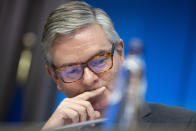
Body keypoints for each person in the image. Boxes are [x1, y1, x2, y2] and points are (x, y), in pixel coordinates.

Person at [41, 1, 196, 130]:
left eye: (100, 60)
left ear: (120, 53)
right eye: (72, 70)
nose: (89, 79)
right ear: (55, 78)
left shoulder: (185, 124)